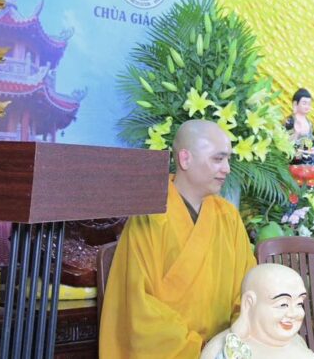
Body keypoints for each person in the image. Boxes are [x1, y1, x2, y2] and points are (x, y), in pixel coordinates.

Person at [99, 120, 255, 358]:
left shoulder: (228, 217)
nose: (227, 169)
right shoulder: (150, 216)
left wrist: (233, 344)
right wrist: (200, 350)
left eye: (228, 160)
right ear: (185, 159)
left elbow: (248, 292)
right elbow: (139, 308)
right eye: (218, 159)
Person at [200, 264, 314, 359]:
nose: (294, 313)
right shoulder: (225, 349)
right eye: (283, 304)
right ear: (249, 303)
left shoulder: (297, 342)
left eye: (299, 304)